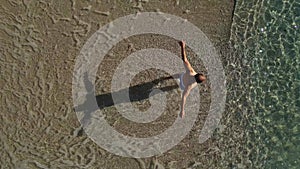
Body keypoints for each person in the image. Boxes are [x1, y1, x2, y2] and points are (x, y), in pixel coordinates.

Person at [178, 41, 206, 118]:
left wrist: (182, 47)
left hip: (182, 76)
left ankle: (166, 78)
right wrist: (182, 110)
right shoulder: (190, 85)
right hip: (182, 85)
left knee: (176, 76)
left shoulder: (191, 71)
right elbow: (184, 97)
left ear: (197, 74)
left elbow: (185, 59)